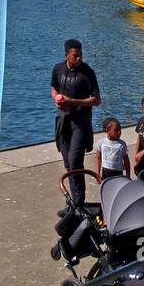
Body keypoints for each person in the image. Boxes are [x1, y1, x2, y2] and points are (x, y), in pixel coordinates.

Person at [51, 39, 101, 209]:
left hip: (80, 122)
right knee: (67, 162)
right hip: (63, 121)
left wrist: (73, 101)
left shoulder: (88, 73)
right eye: (75, 56)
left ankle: (79, 202)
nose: (79, 58)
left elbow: (96, 100)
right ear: (66, 55)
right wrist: (56, 100)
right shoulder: (58, 69)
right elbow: (54, 89)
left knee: (75, 161)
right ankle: (73, 202)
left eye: (80, 55)